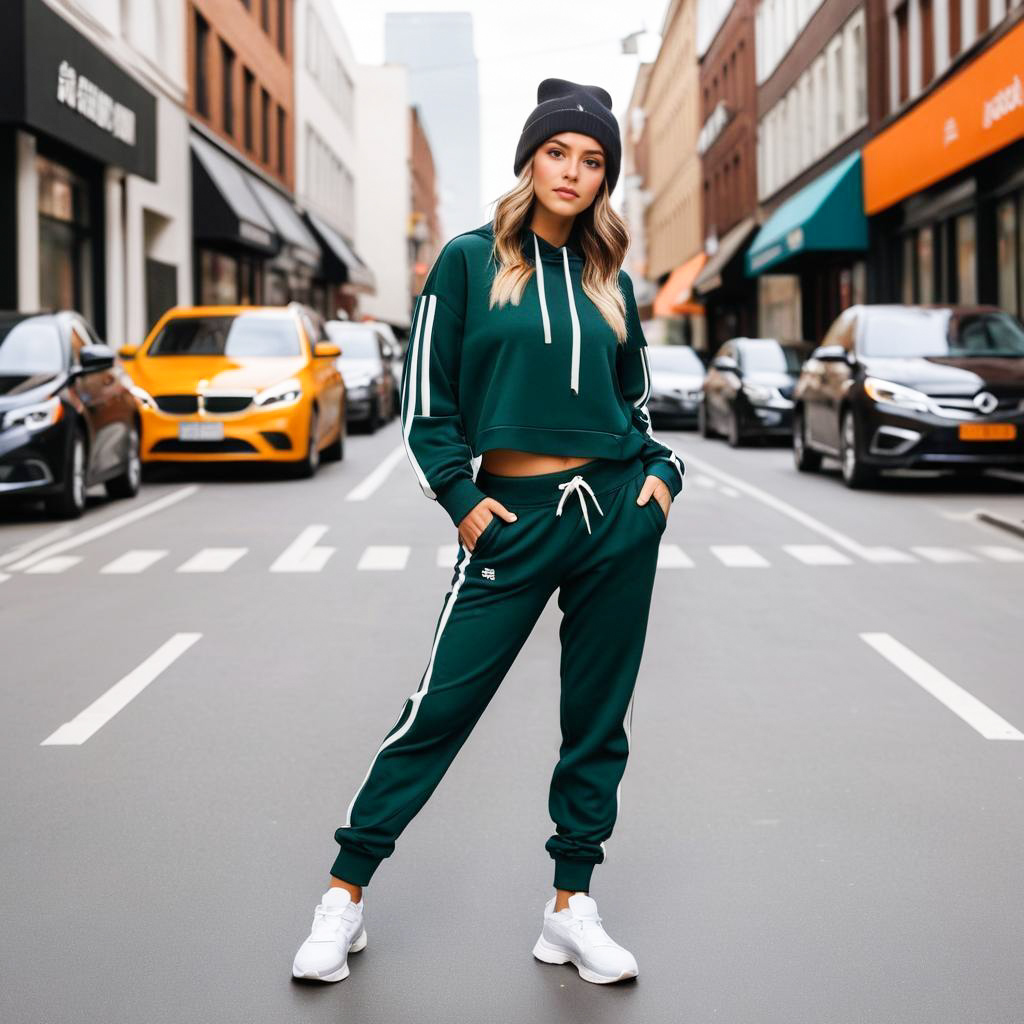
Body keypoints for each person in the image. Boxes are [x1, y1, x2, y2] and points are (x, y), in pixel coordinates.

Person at [292, 77, 685, 987]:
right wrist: (461, 499)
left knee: (598, 719)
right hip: (511, 523)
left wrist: (661, 482)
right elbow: (428, 411)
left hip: (616, 519)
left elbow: (637, 408)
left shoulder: (611, 279)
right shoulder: (468, 263)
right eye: (559, 153)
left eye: (592, 161)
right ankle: (343, 897)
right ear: (530, 159)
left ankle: (570, 907)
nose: (574, 173)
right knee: (439, 710)